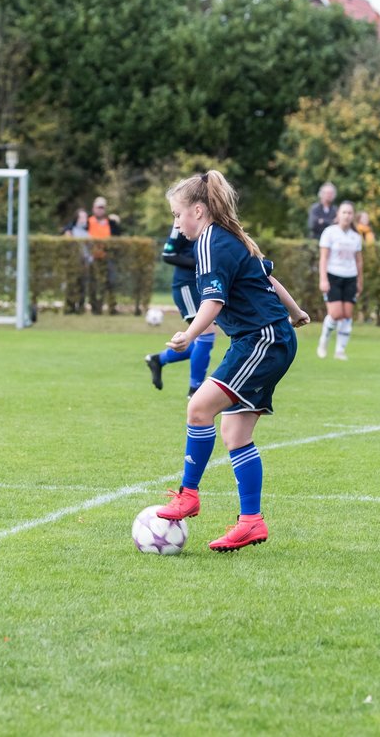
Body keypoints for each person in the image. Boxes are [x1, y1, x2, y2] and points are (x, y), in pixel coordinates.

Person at [152, 170, 309, 552]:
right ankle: (251, 523)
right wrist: (297, 311)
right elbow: (268, 279)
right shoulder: (230, 238)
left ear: (199, 210)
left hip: (262, 339)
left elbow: (214, 302)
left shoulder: (210, 243)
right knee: (235, 435)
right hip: (267, 337)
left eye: (177, 214)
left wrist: (189, 334)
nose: (176, 223)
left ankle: (188, 495)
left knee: (199, 407)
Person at [144, 221, 216, 397]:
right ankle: (194, 389)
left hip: (202, 286)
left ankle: (158, 360)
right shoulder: (181, 225)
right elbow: (168, 254)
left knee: (202, 340)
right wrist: (200, 264)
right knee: (206, 333)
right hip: (186, 286)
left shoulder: (212, 225)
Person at [316, 201, 363, 360]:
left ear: (353, 216)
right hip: (333, 276)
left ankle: (340, 350)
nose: (347, 216)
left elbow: (358, 261)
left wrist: (359, 281)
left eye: (350, 213)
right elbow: (323, 258)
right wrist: (323, 279)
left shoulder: (356, 236)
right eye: (344, 212)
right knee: (335, 314)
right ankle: (324, 341)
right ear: (338, 215)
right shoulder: (329, 233)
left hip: (350, 277)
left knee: (347, 315)